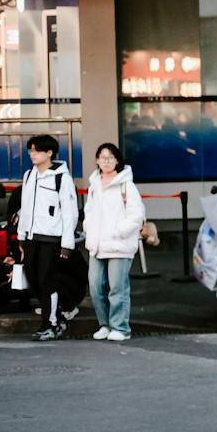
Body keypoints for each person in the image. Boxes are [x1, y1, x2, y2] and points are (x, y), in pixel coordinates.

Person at [12, 133, 79, 340]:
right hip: (31, 237)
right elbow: (25, 208)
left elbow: (70, 213)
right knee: (33, 279)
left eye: (37, 151)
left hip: (52, 238)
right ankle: (57, 318)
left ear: (49, 153)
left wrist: (67, 244)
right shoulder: (29, 175)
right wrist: (21, 236)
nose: (32, 154)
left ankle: (50, 324)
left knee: (46, 280)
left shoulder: (62, 178)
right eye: (30, 150)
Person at [83, 142, 145, 342]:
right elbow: (89, 211)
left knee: (117, 288)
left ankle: (120, 328)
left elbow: (136, 214)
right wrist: (88, 228)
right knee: (95, 286)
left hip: (119, 244)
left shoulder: (126, 184)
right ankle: (105, 324)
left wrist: (119, 231)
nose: (106, 161)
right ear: (97, 160)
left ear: (117, 160)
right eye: (103, 157)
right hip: (97, 244)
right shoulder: (94, 185)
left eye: (111, 157)